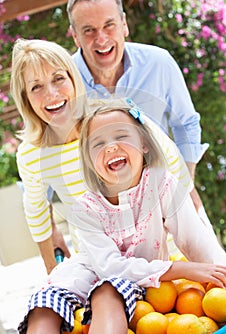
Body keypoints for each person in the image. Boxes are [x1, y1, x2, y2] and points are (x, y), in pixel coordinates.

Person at [18, 100, 226, 334]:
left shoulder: (162, 185)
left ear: (144, 144)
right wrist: (181, 270)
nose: (110, 147)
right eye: (98, 143)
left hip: (128, 287)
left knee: (108, 291)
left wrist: (225, 278)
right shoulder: (86, 208)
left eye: (121, 136)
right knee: (45, 306)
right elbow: (109, 266)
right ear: (89, 160)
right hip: (83, 278)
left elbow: (196, 240)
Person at [11, 38, 196, 275]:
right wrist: (52, 271)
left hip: (167, 256)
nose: (51, 94)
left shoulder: (114, 117)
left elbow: (174, 168)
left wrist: (192, 246)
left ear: (73, 79)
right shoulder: (31, 154)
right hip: (103, 270)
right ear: (25, 97)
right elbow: (36, 212)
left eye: (58, 78)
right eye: (36, 87)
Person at [67, 0, 209, 185]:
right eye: (89, 30)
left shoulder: (159, 63)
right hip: (104, 205)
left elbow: (186, 123)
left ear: (124, 24)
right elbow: (46, 145)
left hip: (164, 186)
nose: (101, 39)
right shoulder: (63, 82)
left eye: (109, 25)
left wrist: (185, 183)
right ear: (75, 36)